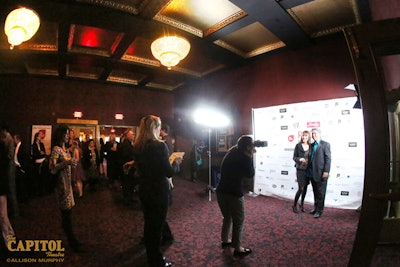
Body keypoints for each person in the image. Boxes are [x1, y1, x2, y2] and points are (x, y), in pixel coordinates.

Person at [133, 115, 174, 267]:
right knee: (156, 226)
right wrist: (175, 163)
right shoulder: (159, 146)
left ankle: (151, 255)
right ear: (155, 128)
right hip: (158, 190)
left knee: (149, 223)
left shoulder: (138, 146)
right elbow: (168, 172)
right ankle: (155, 260)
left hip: (144, 188)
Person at [216, 135, 255, 257]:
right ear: (248, 147)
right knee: (238, 220)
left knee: (227, 217)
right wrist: (251, 157)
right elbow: (250, 174)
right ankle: (237, 248)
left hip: (221, 190)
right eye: (252, 145)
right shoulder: (245, 157)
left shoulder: (231, 152)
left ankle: (225, 240)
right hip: (234, 192)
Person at [49, 124, 82, 251]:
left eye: (69, 133)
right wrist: (67, 162)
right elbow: (52, 168)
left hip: (68, 184)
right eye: (66, 133)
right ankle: (72, 240)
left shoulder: (64, 149)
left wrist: (71, 162)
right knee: (66, 214)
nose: (68, 136)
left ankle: (71, 238)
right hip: (62, 185)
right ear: (61, 135)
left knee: (68, 214)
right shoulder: (56, 149)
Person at [306, 128, 331, 219]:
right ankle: (315, 208)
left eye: (315, 133)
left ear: (319, 134)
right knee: (315, 193)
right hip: (312, 173)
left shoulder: (325, 144)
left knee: (321, 193)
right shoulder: (311, 145)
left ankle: (319, 211)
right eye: (312, 134)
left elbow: (328, 159)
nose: (313, 135)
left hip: (321, 173)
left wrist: (326, 171)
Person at [0, 124, 16, 247]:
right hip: (2, 185)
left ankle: (9, 238)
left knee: (2, 214)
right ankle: (9, 235)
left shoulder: (4, 145)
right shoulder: (4, 145)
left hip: (1, 185)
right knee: (3, 214)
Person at [292, 130, 311, 213]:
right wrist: (300, 159)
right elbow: (294, 157)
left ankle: (302, 204)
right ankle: (294, 205)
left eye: (306, 136)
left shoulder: (311, 146)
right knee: (301, 188)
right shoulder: (298, 145)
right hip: (300, 169)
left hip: (308, 169)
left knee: (305, 188)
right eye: (303, 136)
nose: (304, 137)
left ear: (308, 137)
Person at [119, 129, 136, 205]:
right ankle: (127, 199)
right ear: (127, 135)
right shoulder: (126, 144)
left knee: (129, 183)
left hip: (128, 167)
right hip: (127, 167)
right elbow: (125, 156)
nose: (133, 135)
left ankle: (129, 198)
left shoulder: (128, 143)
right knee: (127, 183)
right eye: (132, 134)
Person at [13, 134, 32, 203]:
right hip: (17, 167)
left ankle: (24, 198)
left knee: (23, 184)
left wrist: (22, 167)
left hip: (22, 168)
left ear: (17, 139)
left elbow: (24, 158)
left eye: (14, 139)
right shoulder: (16, 147)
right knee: (20, 183)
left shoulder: (22, 147)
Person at [31, 131, 47, 196]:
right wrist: (39, 153)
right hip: (37, 162)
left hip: (42, 161)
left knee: (42, 177)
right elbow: (34, 154)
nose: (41, 137)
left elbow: (44, 152)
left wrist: (43, 153)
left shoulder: (42, 144)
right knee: (37, 176)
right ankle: (36, 191)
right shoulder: (33, 145)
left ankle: (42, 191)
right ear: (37, 137)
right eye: (39, 136)